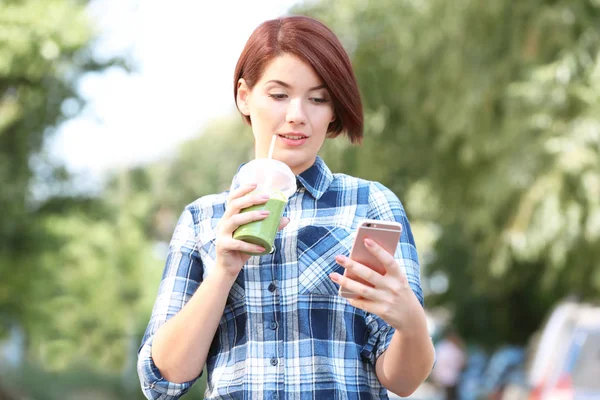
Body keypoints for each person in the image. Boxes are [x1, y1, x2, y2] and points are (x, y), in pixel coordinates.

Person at [137, 15, 435, 399]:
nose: (297, 114)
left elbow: (404, 381)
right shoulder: (203, 219)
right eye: (279, 95)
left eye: (318, 98)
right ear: (245, 96)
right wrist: (224, 270)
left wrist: (412, 324)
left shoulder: (371, 205)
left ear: (333, 111)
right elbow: (161, 381)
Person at [430, 329, 466, 400]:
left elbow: (435, 363)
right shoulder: (455, 348)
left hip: (441, 379)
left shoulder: (440, 346)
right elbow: (463, 364)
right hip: (451, 379)